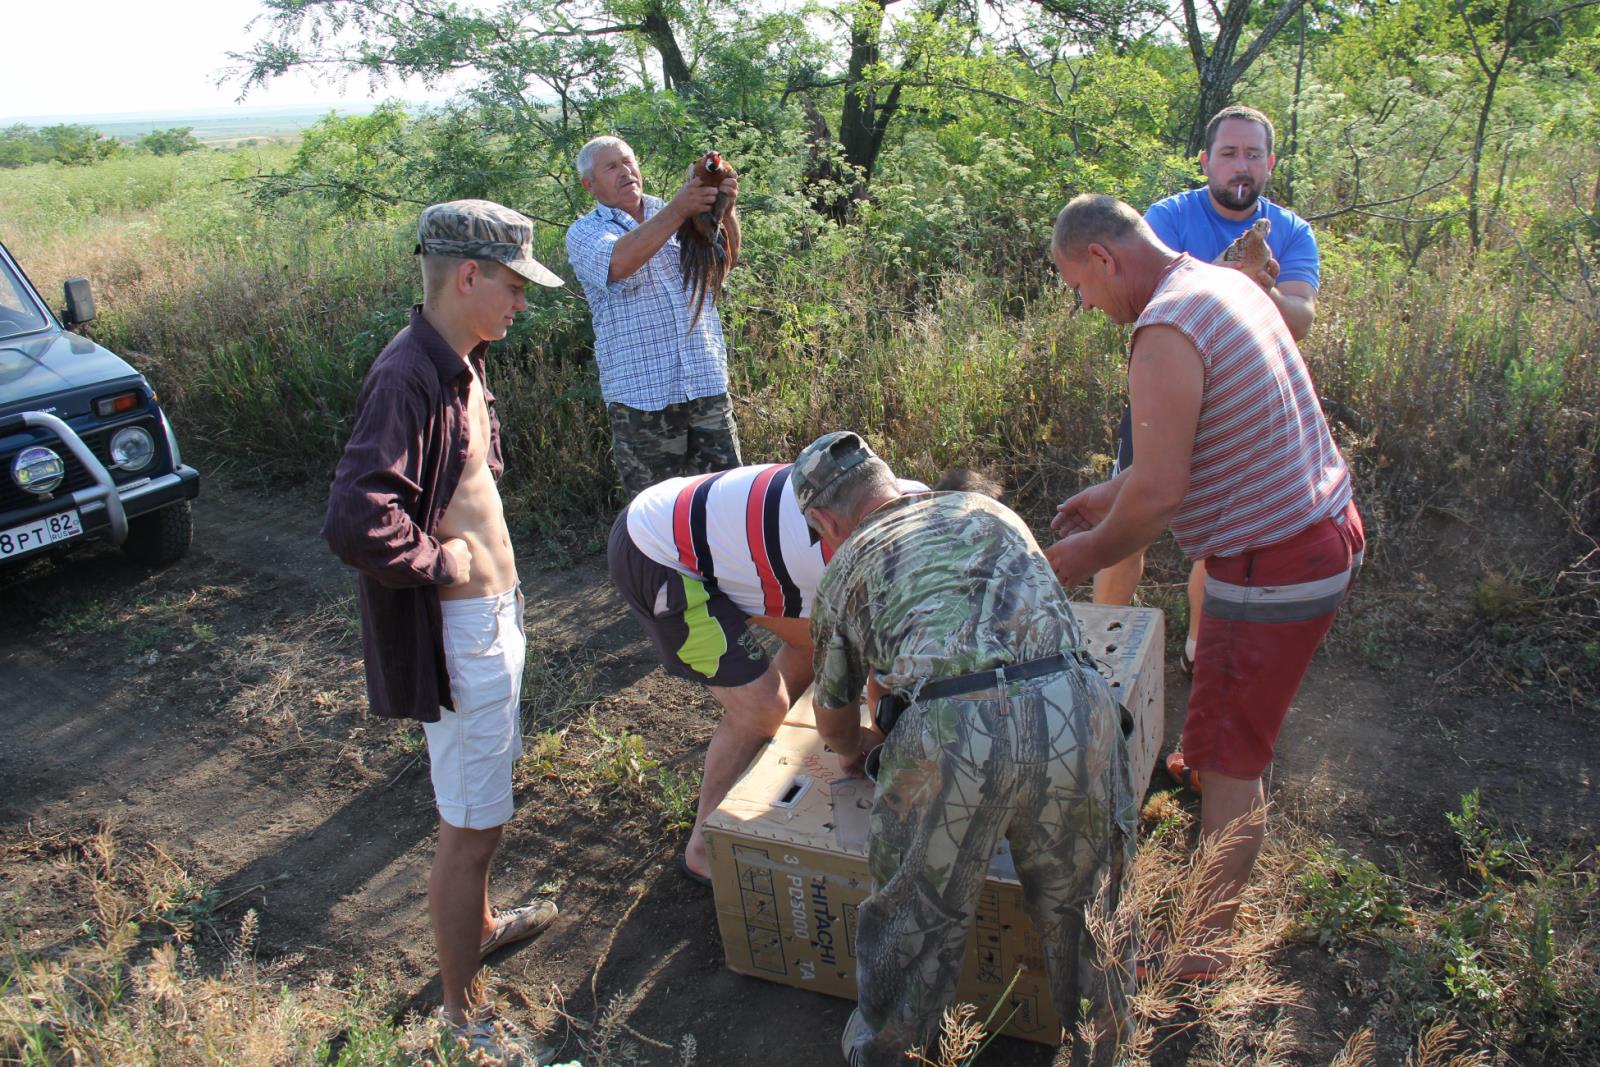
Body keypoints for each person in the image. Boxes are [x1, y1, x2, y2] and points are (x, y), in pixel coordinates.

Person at [1044, 194, 1362, 979]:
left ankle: (1205, 946)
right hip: (1318, 528)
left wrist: (1081, 555)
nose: (1084, 304)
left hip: (1271, 562)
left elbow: (1160, 495)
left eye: (1078, 286)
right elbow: (1183, 450)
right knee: (1225, 733)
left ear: (1103, 258)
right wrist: (1109, 493)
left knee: (1231, 762)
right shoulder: (1215, 282)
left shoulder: (1164, 331)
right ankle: (1213, 759)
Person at [794, 431, 1136, 1067]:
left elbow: (835, 717)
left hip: (951, 736)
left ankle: (893, 1053)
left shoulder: (846, 566)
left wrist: (855, 748)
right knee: (1091, 916)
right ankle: (1109, 1050)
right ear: (888, 482)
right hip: (1076, 705)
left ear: (825, 521)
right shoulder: (989, 511)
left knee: (911, 927)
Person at [322, 199, 564, 1062]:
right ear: (468, 275)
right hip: (462, 635)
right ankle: (465, 1018)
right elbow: (356, 517)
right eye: (513, 285)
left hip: (493, 621)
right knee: (471, 829)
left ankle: (484, 927)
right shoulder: (408, 375)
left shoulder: (459, 359)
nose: (522, 302)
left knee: (482, 808)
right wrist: (435, 560)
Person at [607, 459, 930, 883]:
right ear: (828, 525)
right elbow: (852, 682)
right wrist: (857, 746)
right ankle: (703, 848)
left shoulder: (914, 505)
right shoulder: (855, 564)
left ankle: (768, 752)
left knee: (811, 643)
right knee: (761, 707)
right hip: (659, 555)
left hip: (714, 539)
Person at [1095, 105, 1322, 686]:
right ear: (1205, 161)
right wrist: (1225, 277)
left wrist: (1261, 287)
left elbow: (1300, 319)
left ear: (1270, 163)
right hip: (1164, 397)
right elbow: (1143, 299)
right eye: (1229, 153)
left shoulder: (1291, 230)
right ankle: (1101, 647)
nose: (1241, 166)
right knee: (1130, 517)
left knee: (1221, 538)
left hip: (1242, 407)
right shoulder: (1168, 217)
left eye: (1253, 155)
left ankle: (1200, 652)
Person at [566, 135, 744, 497]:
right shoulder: (585, 231)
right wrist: (679, 210)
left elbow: (724, 262)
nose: (625, 171)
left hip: (705, 383)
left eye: (628, 161)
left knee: (728, 502)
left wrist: (725, 211)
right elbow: (618, 263)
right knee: (658, 511)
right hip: (642, 401)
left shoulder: (675, 209)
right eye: (611, 167)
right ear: (589, 185)